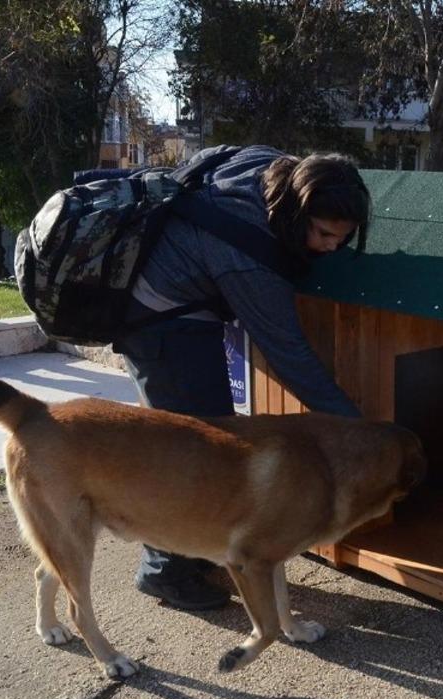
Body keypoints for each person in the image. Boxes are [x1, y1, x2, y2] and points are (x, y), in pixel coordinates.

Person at [115, 145, 368, 611]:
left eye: (342, 237)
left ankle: (191, 555)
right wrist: (359, 431)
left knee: (206, 444)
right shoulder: (248, 254)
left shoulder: (273, 167)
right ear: (297, 211)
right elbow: (290, 357)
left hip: (177, 308)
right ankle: (163, 572)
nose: (333, 246)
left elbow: (214, 155)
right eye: (324, 233)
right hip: (160, 322)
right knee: (189, 453)